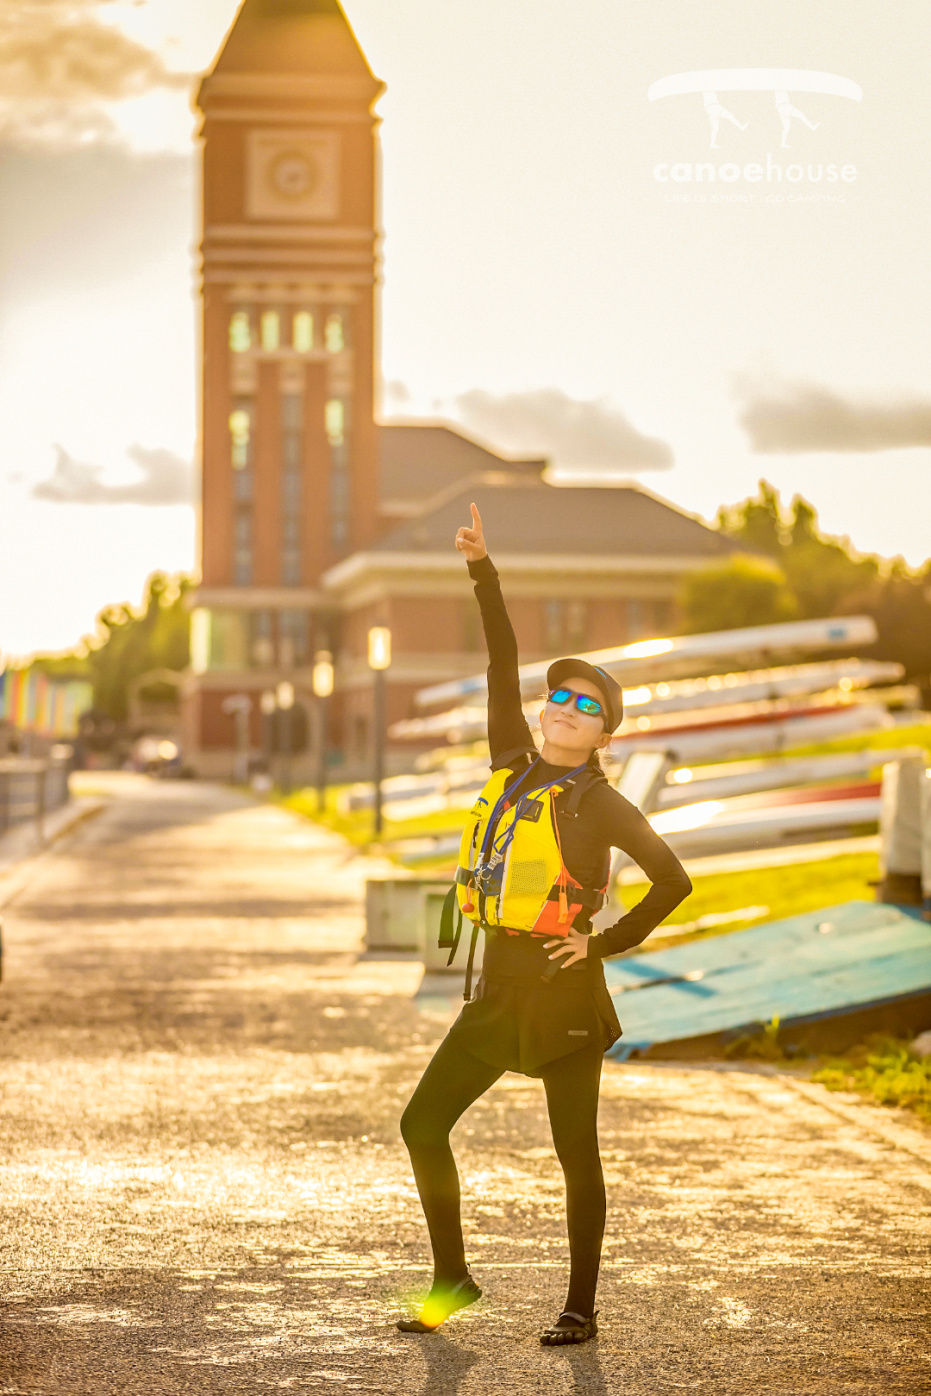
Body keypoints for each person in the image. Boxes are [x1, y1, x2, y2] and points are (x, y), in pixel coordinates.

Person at [397, 501, 693, 1346]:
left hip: (564, 996)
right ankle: (451, 1278)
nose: (563, 706)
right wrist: (482, 571)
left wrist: (600, 943)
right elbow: (502, 657)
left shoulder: (603, 805)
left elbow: (672, 880)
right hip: (497, 986)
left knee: (575, 1156)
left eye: (584, 704)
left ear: (603, 731)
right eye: (557, 697)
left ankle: (580, 1308)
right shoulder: (508, 764)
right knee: (421, 1124)